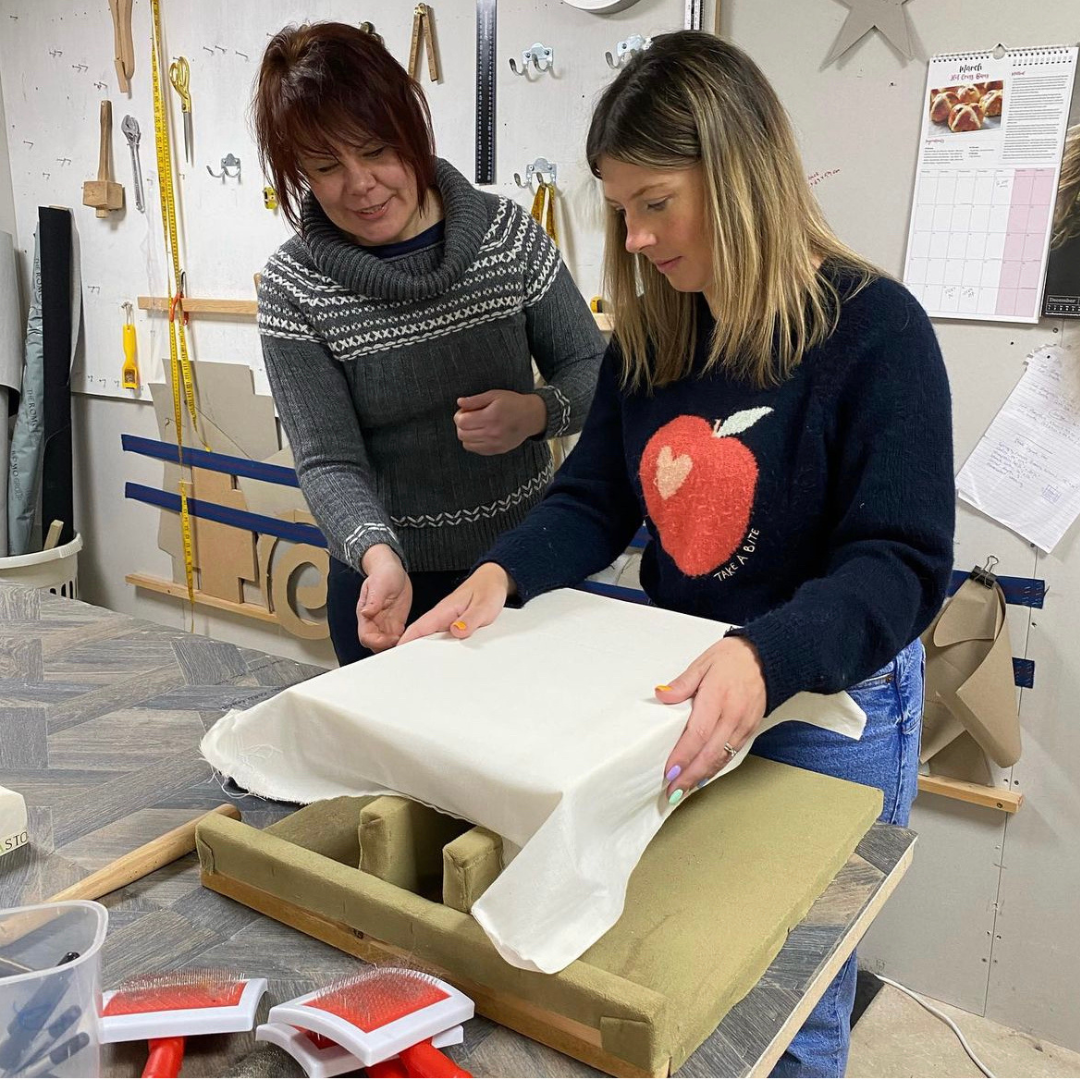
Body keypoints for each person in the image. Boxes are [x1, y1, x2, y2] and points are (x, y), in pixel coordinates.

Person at [400, 31, 955, 1078]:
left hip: (824, 704)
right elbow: (595, 499)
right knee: (673, 968)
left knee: (788, 1005)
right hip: (669, 689)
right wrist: (502, 574)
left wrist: (763, 653)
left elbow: (899, 563)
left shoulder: (878, 333)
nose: (638, 238)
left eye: (656, 202)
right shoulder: (656, 338)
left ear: (741, 176)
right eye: (621, 210)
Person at [252, 22, 605, 664]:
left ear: (413, 133)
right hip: (390, 588)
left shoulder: (505, 236)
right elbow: (328, 460)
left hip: (524, 569)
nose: (360, 184)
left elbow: (594, 368)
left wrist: (537, 414)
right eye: (327, 167)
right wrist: (378, 557)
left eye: (377, 150)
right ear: (299, 172)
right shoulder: (293, 287)